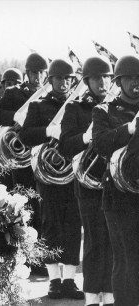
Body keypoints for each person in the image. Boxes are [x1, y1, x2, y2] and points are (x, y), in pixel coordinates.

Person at [19, 58, 84, 300]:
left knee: (73, 225)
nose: (65, 83)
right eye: (59, 78)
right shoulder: (38, 106)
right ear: (51, 80)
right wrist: (48, 131)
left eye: (69, 79)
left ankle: (69, 280)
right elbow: (25, 135)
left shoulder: (77, 106)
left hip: (72, 175)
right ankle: (54, 281)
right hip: (48, 176)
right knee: (50, 225)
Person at [0, 53, 49, 276]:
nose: (38, 77)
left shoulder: (52, 94)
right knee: (28, 208)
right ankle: (27, 259)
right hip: (21, 162)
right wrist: (17, 115)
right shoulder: (15, 93)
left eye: (43, 73)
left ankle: (40, 258)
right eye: (34, 73)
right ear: (27, 73)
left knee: (44, 211)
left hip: (44, 161)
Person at [59, 56, 114, 306]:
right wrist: (86, 136)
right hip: (88, 186)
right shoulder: (75, 108)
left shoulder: (117, 106)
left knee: (115, 242)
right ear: (87, 81)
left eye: (107, 77)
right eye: (98, 78)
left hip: (115, 184)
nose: (103, 82)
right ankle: (92, 298)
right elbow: (65, 145)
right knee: (94, 242)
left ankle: (111, 296)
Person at [92, 54, 139, 306]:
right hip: (119, 199)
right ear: (119, 82)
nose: (136, 82)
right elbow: (100, 144)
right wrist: (130, 128)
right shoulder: (103, 110)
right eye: (130, 78)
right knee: (128, 262)